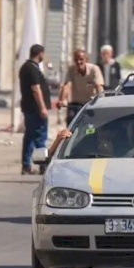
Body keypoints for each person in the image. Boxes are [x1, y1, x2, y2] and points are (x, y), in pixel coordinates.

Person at [18, 45, 51, 175]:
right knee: (40, 137)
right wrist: (42, 107)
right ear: (40, 54)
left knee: (30, 137)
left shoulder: (26, 67)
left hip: (29, 108)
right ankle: (42, 165)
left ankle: (26, 165)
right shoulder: (32, 69)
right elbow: (36, 89)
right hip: (35, 109)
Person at [57, 49, 105, 124]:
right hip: (75, 104)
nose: (79, 62)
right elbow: (67, 85)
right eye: (76, 60)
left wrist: (101, 101)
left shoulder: (94, 69)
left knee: (90, 127)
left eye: (81, 59)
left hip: (90, 104)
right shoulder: (71, 70)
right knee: (71, 126)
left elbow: (98, 86)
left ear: (86, 59)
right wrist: (61, 100)